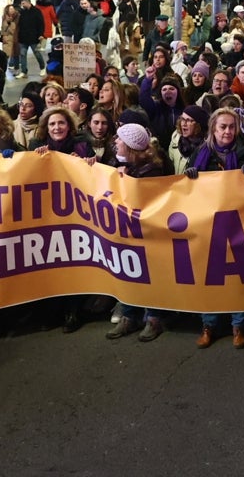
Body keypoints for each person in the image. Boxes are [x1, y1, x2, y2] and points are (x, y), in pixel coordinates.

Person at [189, 109, 244, 349]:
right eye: (223, 127)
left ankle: (238, 325)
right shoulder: (200, 154)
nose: (228, 131)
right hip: (207, 223)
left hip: (239, 222)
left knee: (238, 276)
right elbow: (184, 191)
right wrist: (188, 177)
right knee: (210, 276)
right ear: (213, 129)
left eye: (232, 127)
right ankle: (208, 324)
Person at [105, 123, 169, 342]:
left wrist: (127, 178)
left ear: (130, 146)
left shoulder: (151, 169)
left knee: (149, 274)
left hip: (147, 233)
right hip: (125, 231)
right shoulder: (119, 163)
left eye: (120, 139)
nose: (115, 142)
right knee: (127, 271)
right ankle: (130, 315)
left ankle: (154, 317)